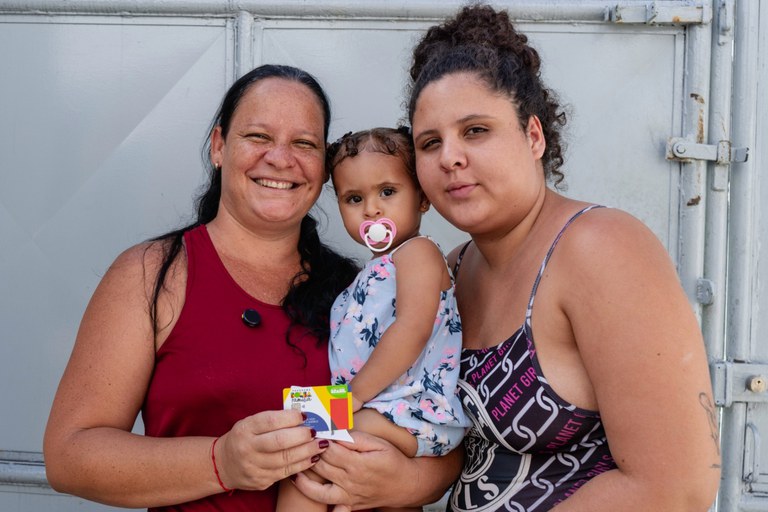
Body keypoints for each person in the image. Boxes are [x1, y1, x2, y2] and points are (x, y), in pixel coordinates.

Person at [43, 64, 461, 511]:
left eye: (303, 143)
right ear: (219, 146)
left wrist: (409, 483)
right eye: (258, 137)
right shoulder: (153, 274)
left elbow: (439, 426)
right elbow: (70, 457)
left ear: (323, 170)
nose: (280, 158)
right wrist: (220, 462)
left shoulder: (356, 292)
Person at [403, 4, 721, 511]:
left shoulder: (598, 248)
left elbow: (676, 488)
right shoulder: (455, 269)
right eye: (429, 142)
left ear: (533, 136)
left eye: (476, 130)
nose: (450, 157)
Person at [277, 127, 469, 512]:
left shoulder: (418, 253)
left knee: (309, 450)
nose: (371, 209)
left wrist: (355, 396)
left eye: (387, 191)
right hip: (378, 408)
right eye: (354, 198)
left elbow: (412, 328)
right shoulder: (372, 273)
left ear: (423, 197)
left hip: (409, 409)